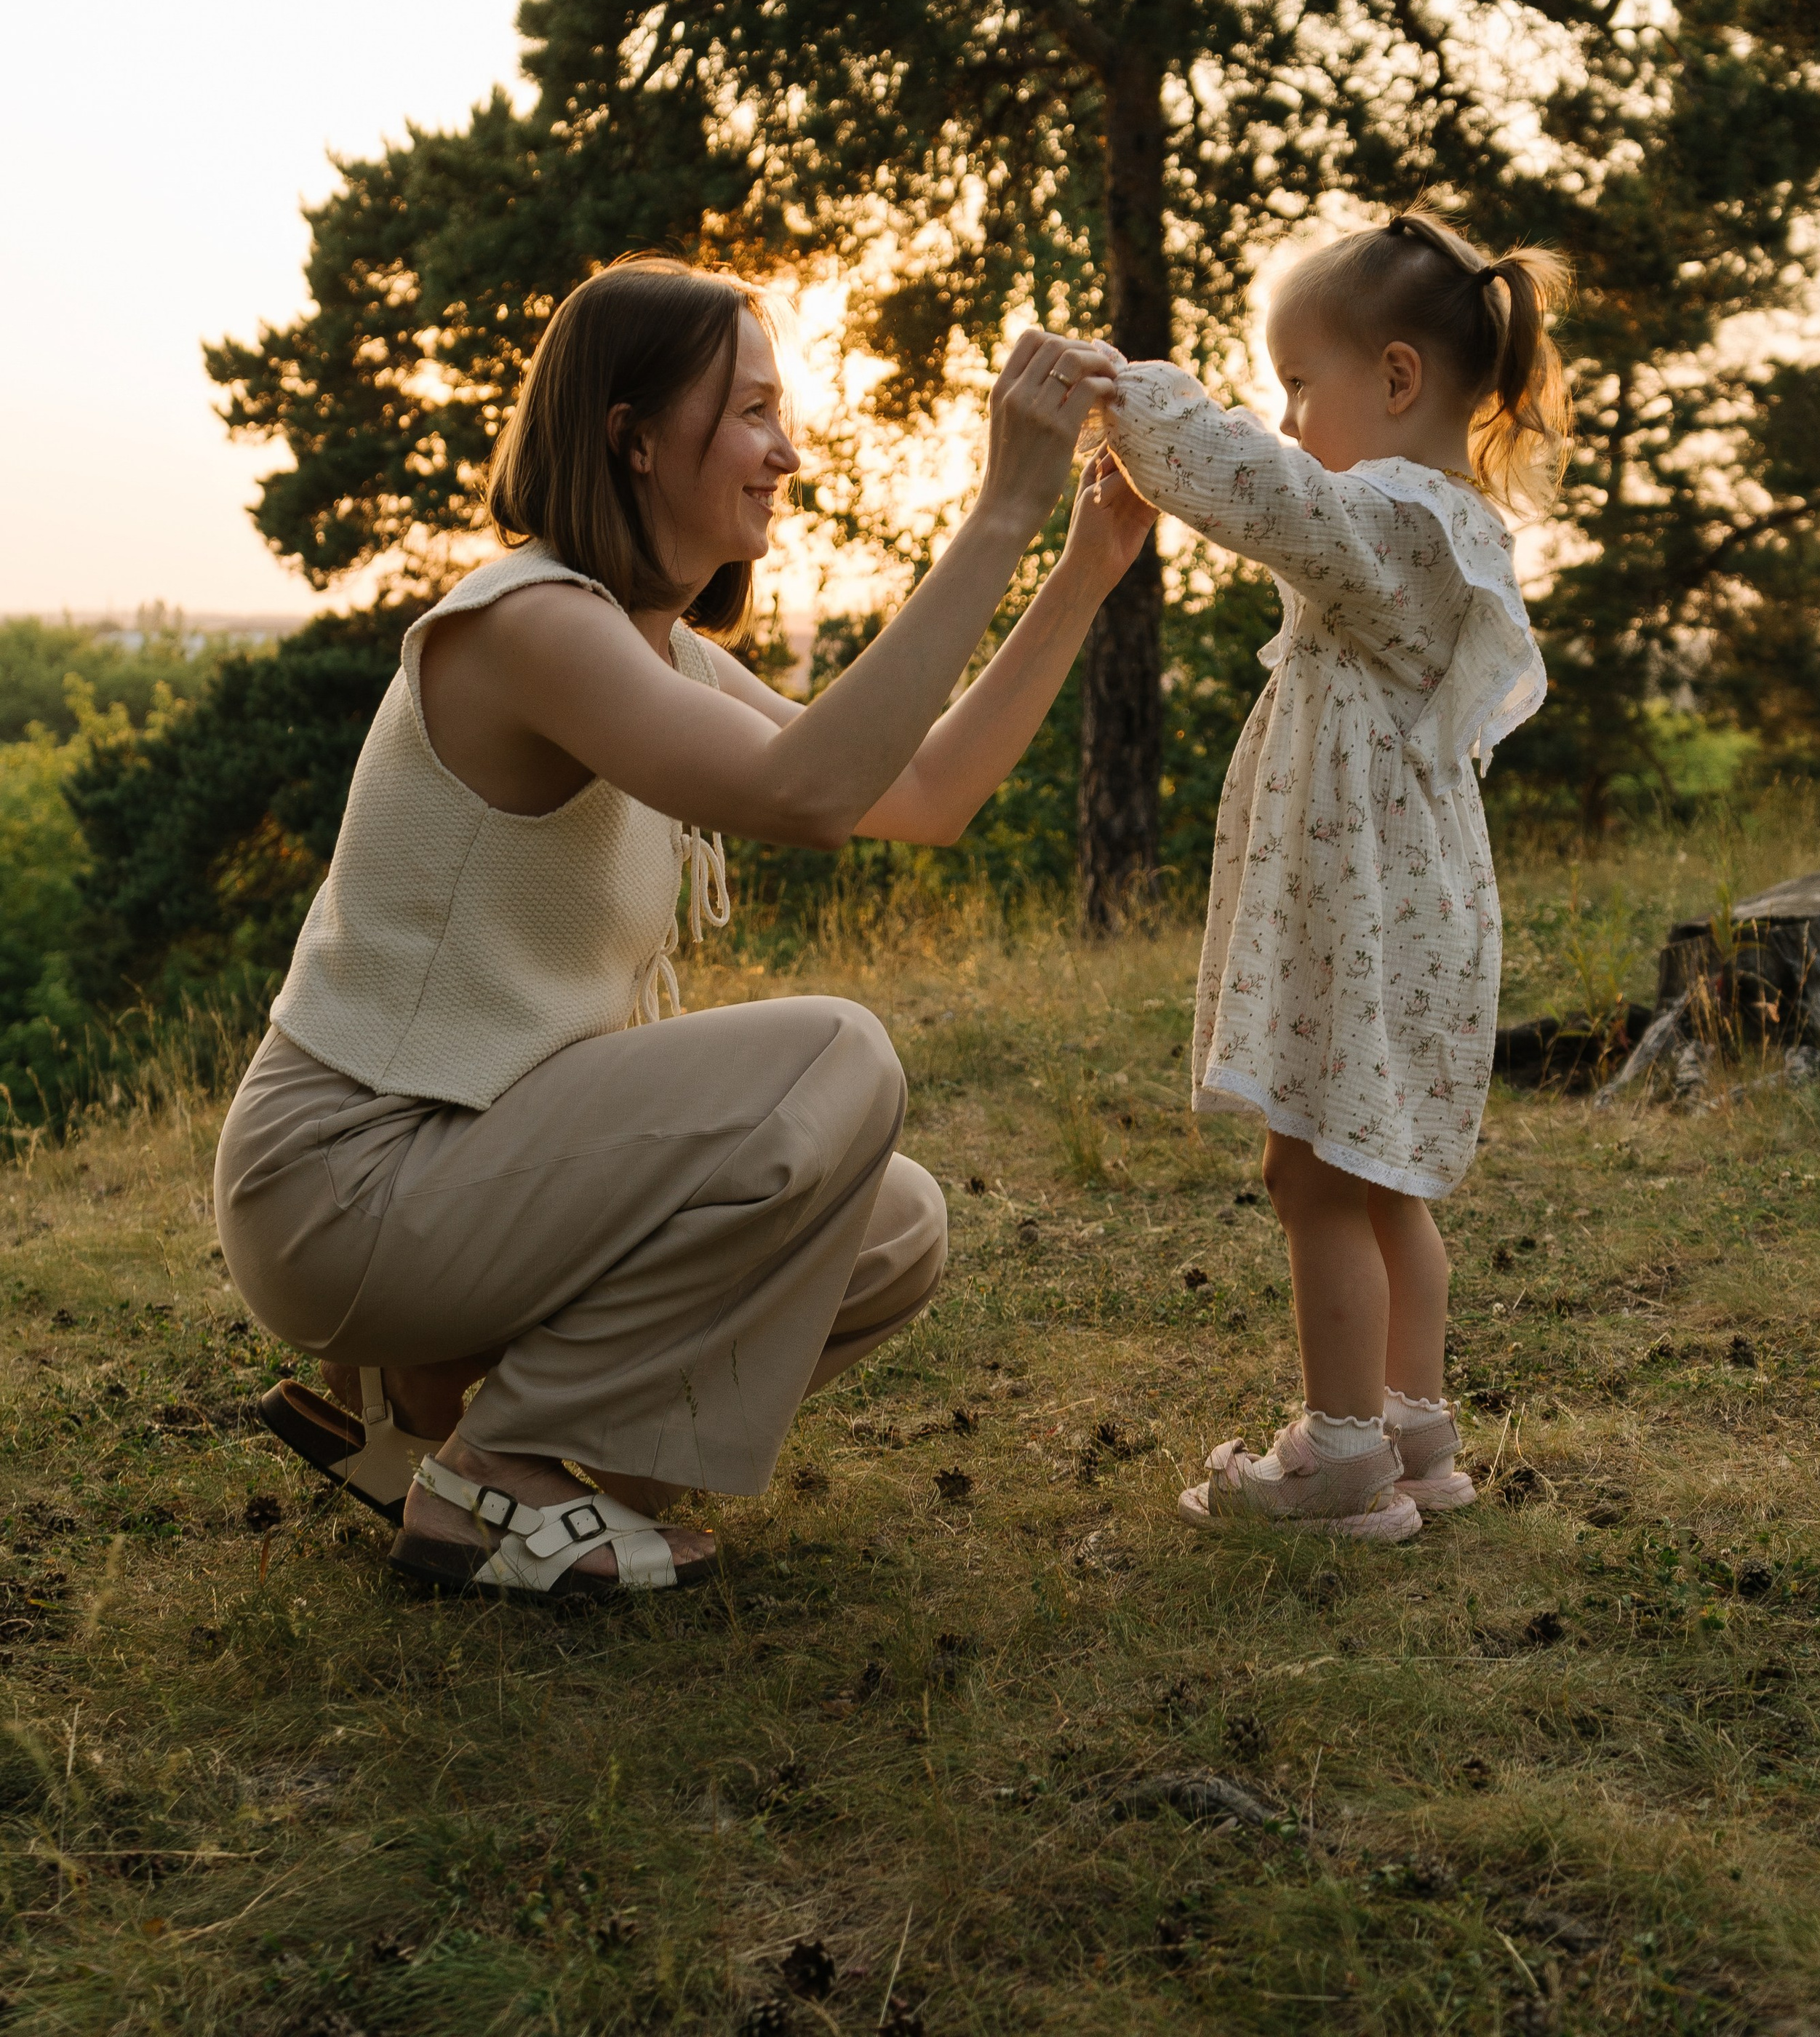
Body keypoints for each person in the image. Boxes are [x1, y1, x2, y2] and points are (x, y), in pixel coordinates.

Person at [216, 256, 1151, 1599]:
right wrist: (1000, 502)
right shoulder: (529, 625)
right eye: (754, 413)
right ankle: (498, 1479)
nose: (789, 452)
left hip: (467, 1180)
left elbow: (926, 794)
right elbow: (810, 796)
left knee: (892, 1229)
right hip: (348, 1184)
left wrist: (1082, 565)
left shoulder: (656, 651)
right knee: (836, 1058)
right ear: (635, 437)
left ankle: (447, 1414)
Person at [1101, 210, 1567, 1541]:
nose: (1290, 416)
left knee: (1310, 1178)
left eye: (1302, 383)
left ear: (1400, 378)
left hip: (1361, 914)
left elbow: (1269, 495)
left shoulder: (1392, 521)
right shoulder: (1439, 527)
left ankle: (1344, 1459)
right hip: (1401, 907)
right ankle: (1417, 1428)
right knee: (1387, 1175)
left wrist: (1135, 395)